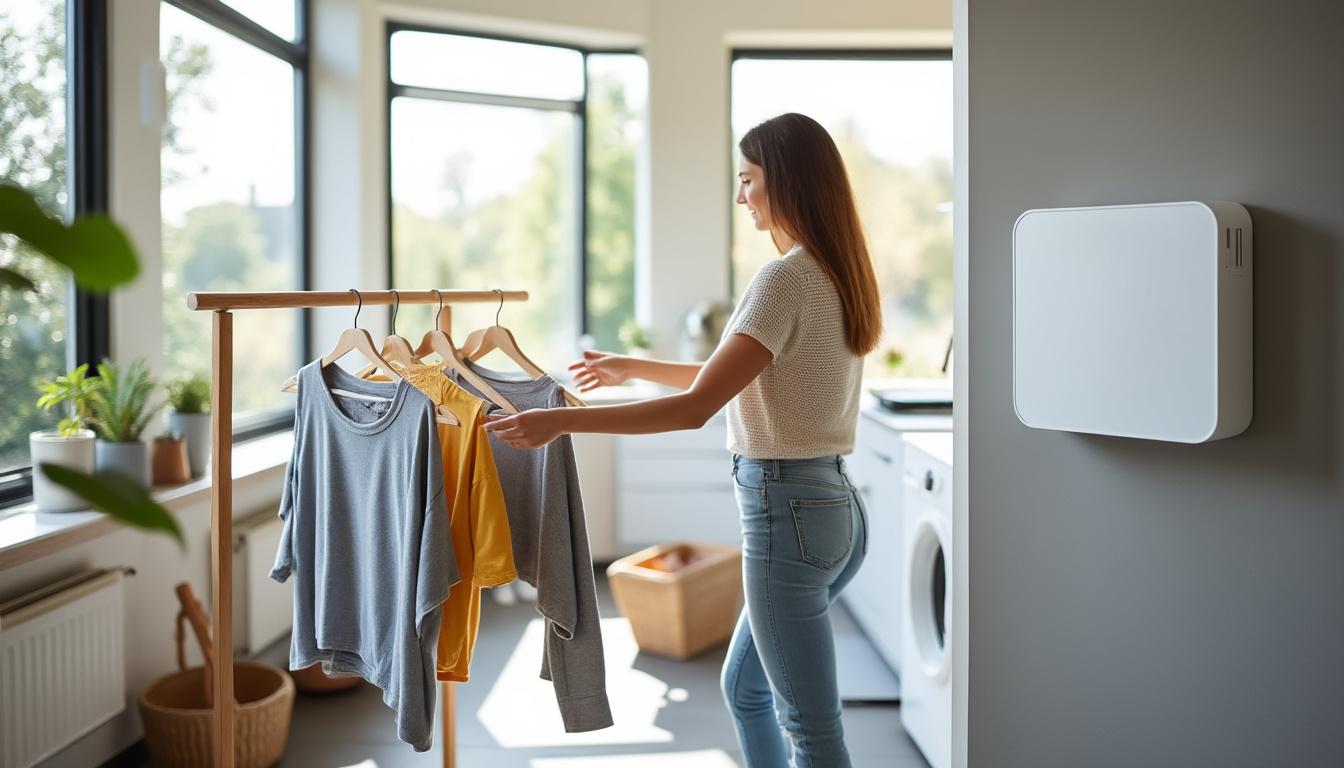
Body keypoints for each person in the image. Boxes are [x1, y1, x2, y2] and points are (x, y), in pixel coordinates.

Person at [484, 112, 882, 767]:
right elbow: (742, 373)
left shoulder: (782, 279)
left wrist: (559, 422)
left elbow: (698, 407)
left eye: (748, 179)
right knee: (745, 689)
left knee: (810, 728)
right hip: (835, 509)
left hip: (789, 518)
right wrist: (631, 367)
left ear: (784, 182)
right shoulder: (836, 272)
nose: (740, 196)